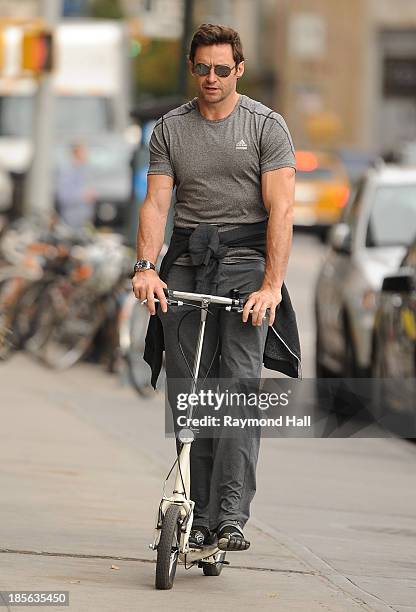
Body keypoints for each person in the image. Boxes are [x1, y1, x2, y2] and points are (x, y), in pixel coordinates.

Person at [132, 24, 300, 552]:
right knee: (193, 392)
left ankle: (228, 516)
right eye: (202, 68)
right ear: (193, 69)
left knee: (238, 389)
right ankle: (194, 512)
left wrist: (272, 286)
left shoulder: (266, 126)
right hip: (188, 259)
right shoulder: (169, 129)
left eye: (222, 69)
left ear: (239, 70)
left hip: (248, 263)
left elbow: (283, 210)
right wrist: (145, 266)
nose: (211, 78)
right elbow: (157, 203)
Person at [56, 143, 96, 229]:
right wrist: (83, 196)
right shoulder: (67, 172)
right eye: (83, 152)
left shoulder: (86, 170)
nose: (86, 155)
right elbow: (63, 197)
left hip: (84, 220)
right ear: (76, 153)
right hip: (71, 219)